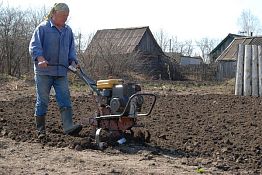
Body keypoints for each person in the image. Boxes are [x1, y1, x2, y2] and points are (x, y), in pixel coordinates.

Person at [29, 3, 82, 139]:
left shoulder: (68, 31)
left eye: (66, 16)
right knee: (43, 100)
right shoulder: (43, 28)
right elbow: (34, 46)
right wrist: (40, 58)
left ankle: (68, 126)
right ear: (54, 14)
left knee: (65, 98)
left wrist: (73, 61)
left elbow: (71, 50)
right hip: (44, 72)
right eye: (62, 16)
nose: (65, 19)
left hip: (61, 72)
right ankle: (41, 130)